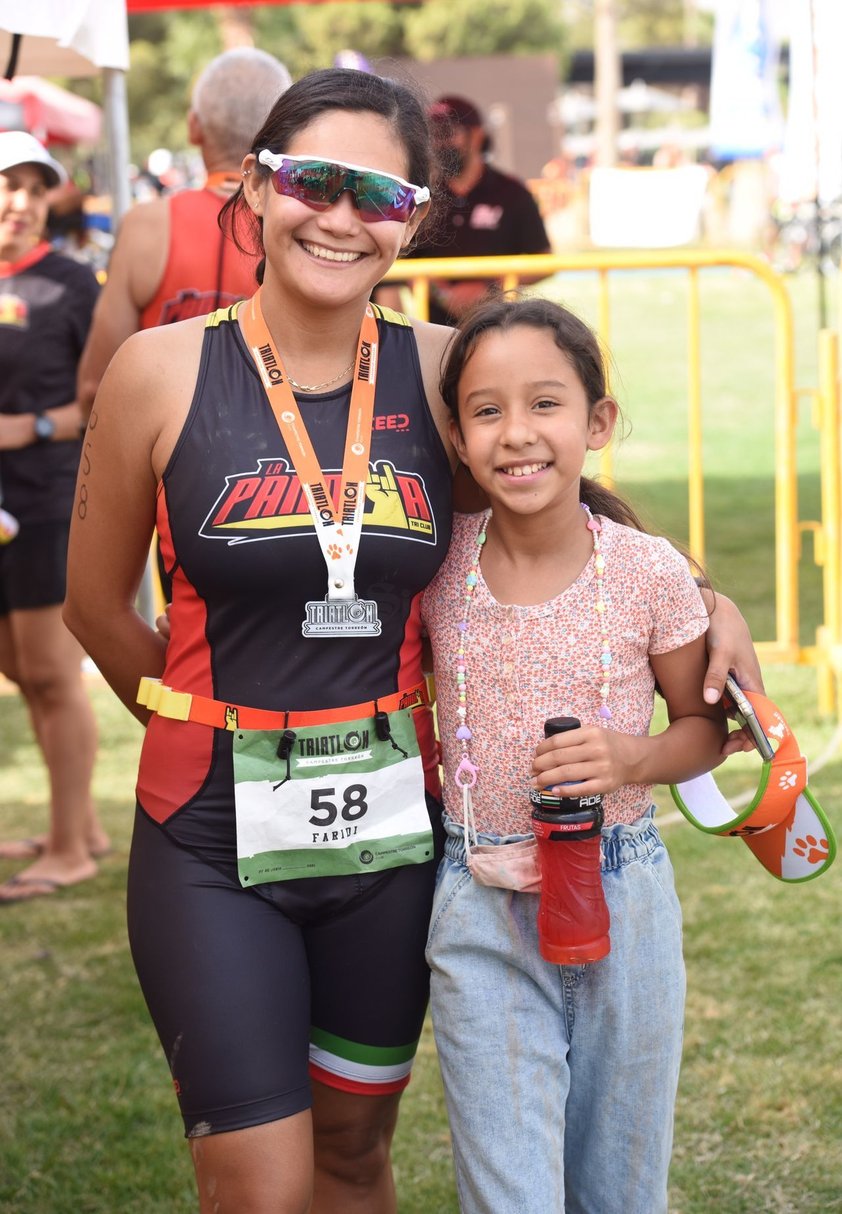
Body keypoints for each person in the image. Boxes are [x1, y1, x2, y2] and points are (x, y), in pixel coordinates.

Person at [63, 68, 761, 1213]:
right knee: (262, 1185)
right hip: (206, 836)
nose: (340, 217)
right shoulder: (160, 370)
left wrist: (705, 595)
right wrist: (214, 729)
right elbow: (95, 604)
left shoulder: (443, 372)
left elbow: (560, 501)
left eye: (376, 192)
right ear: (256, 183)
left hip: (392, 842)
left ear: (413, 217)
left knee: (351, 1160)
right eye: (313, 181)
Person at [421, 295, 756, 1214]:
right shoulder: (436, 566)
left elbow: (704, 731)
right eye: (487, 411)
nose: (517, 434)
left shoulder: (647, 571)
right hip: (481, 906)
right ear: (455, 434)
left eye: (546, 405)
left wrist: (631, 759)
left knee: (618, 1187)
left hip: (623, 897)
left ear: (597, 422)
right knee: (510, 1194)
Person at [0, 131, 107, 901]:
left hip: (45, 498)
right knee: (20, 668)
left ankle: (70, 846)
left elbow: (104, 398)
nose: (21, 204)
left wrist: (33, 427)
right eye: (9, 186)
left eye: (35, 190)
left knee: (50, 672)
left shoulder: (71, 283)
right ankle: (82, 826)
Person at [76, 46, 292, 420]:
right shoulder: (308, 226)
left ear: (194, 128)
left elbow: (96, 388)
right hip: (282, 466)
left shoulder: (147, 225)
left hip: (163, 462)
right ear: (284, 134)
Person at [378, 95, 551, 326]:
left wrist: (492, 288)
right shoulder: (421, 194)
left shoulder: (512, 192)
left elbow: (544, 260)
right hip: (432, 331)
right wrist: (443, 294)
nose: (440, 143)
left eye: (449, 133)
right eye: (434, 134)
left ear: (477, 135)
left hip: (498, 326)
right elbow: (395, 258)